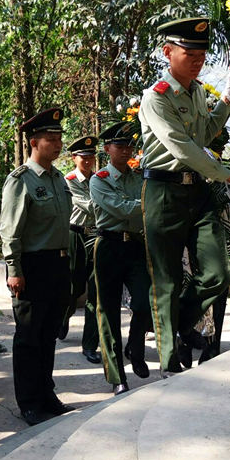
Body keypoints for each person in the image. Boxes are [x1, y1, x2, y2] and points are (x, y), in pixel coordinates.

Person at [138, 17, 230, 377]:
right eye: (189, 52)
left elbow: (204, 134)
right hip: (164, 191)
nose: (197, 59)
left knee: (218, 273)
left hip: (199, 191)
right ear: (168, 52)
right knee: (167, 279)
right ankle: (169, 361)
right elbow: (183, 148)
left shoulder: (198, 92)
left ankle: (179, 323)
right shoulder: (156, 97)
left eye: (202, 53)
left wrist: (227, 100)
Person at [0, 107, 74, 426]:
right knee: (28, 337)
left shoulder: (58, 178)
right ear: (34, 142)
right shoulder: (21, 180)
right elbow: (10, 229)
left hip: (57, 264)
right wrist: (14, 270)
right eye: (50, 138)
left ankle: (47, 393)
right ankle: (29, 401)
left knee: (47, 335)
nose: (57, 144)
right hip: (32, 265)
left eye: (59, 138)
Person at [90, 121, 152, 395]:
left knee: (144, 302)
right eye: (120, 145)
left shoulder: (139, 177)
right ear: (107, 149)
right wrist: (149, 206)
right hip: (109, 247)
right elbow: (121, 209)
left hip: (136, 247)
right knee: (109, 312)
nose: (126, 150)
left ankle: (135, 346)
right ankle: (116, 375)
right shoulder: (99, 179)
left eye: (129, 145)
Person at [61, 135, 101, 364]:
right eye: (83, 157)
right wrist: (109, 204)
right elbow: (86, 205)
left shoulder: (100, 179)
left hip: (96, 234)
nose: (88, 161)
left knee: (95, 292)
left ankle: (90, 344)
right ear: (74, 158)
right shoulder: (69, 180)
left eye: (91, 157)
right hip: (74, 235)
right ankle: (64, 316)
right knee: (74, 287)